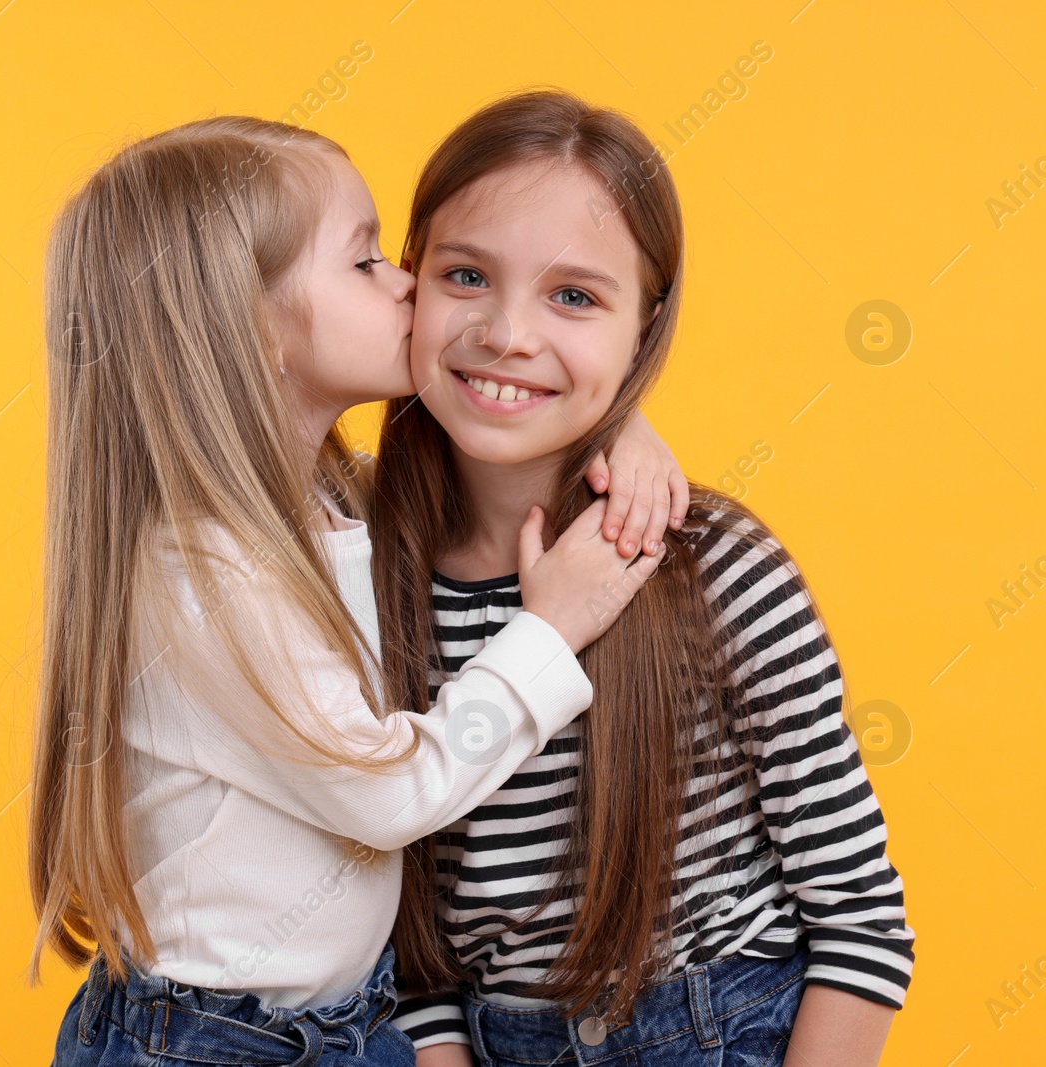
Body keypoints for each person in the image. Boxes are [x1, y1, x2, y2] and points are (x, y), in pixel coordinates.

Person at [30, 115, 687, 1066]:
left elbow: (486, 459)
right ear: (253, 328)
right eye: (365, 260)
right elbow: (391, 791)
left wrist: (619, 429)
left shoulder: (330, 504)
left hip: (339, 1022)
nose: (408, 283)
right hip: (211, 1044)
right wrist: (553, 627)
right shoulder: (202, 576)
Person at [376, 91, 914, 1067]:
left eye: (573, 296)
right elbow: (410, 963)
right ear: (407, 283)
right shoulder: (355, 579)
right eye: (464, 275)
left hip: (722, 1030)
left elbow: (860, 918)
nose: (506, 333)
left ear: (646, 326)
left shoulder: (714, 569)